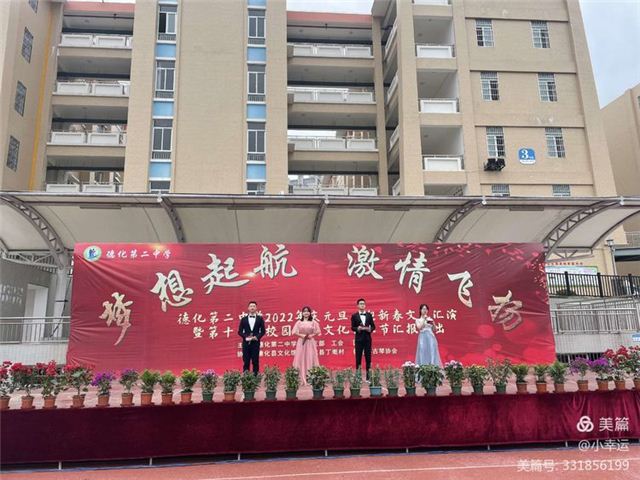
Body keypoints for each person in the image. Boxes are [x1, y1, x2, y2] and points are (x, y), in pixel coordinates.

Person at [292, 306, 320, 386]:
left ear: (310, 313)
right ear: (302, 313)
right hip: (301, 342)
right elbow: (294, 332)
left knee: (310, 357)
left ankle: (311, 378)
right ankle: (301, 378)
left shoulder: (313, 322)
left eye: (307, 311)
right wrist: (302, 336)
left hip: (310, 342)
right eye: (304, 311)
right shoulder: (299, 322)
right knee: (300, 358)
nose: (306, 313)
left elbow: (318, 331)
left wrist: (312, 335)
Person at [350, 298, 375, 381]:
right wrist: (358, 328)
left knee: (368, 358)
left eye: (363, 304)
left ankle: (368, 377)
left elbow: (373, 326)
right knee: (358, 358)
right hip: (359, 340)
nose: (362, 305)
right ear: (357, 305)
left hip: (367, 339)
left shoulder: (369, 315)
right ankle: (358, 377)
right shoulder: (354, 316)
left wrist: (370, 329)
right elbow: (352, 327)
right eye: (360, 304)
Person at [237, 300, 265, 374]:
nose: (252, 307)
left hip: (255, 343)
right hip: (246, 344)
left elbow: (263, 331)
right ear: (248, 308)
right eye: (251, 306)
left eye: (254, 306)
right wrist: (246, 337)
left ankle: (256, 377)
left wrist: (256, 337)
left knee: (255, 361)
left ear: (256, 308)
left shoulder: (260, 319)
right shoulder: (243, 319)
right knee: (246, 361)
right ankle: (246, 377)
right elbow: (239, 332)